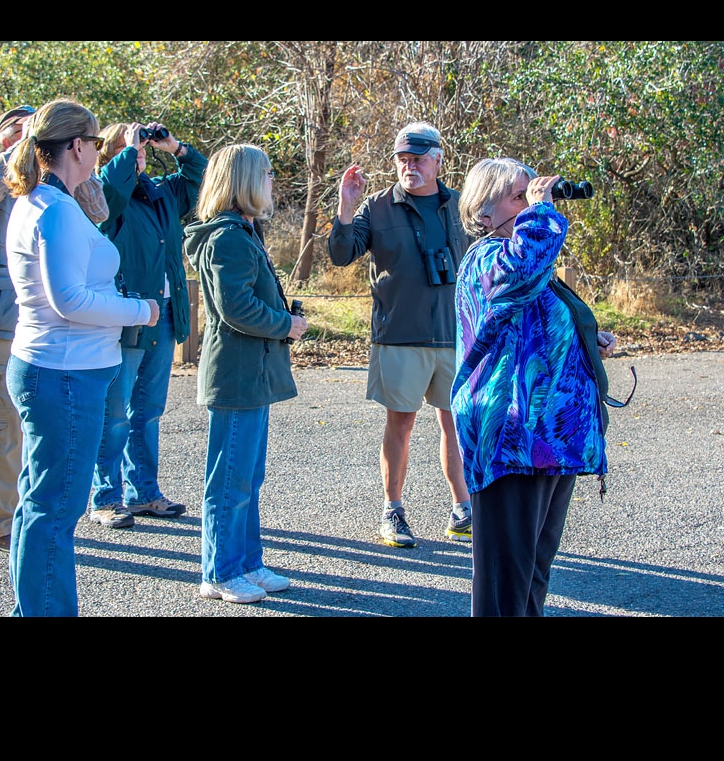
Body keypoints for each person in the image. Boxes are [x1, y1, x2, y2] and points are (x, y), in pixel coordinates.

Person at [2, 98, 160, 617]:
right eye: (94, 143)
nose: (97, 152)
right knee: (55, 511)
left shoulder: (41, 202)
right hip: (65, 374)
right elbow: (68, 299)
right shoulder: (56, 211)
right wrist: (139, 310)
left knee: (38, 503)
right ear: (76, 145)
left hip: (47, 365)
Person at [452, 157, 619, 617]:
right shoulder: (486, 258)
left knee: (532, 576)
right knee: (505, 584)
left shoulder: (528, 257)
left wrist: (584, 339)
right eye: (518, 196)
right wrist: (542, 212)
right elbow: (518, 276)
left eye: (532, 193)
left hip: (548, 441)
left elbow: (533, 325)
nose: (530, 202)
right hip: (510, 439)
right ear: (484, 214)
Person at [0, 104, 109, 554]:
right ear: (0, 142)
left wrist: (63, 156)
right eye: (12, 131)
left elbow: (98, 208)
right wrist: (23, 146)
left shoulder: (53, 191)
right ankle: (0, 521)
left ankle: (32, 516)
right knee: (1, 425)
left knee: (43, 429)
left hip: (45, 324)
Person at [327, 122, 474, 548]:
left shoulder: (461, 207)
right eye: (403, 160)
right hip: (400, 334)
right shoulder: (377, 207)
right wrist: (346, 207)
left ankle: (463, 510)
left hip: (454, 334)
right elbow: (340, 254)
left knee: (456, 423)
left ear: (439, 160)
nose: (409, 167)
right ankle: (393, 511)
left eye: (418, 159)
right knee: (401, 424)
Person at [183, 144, 308, 604]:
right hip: (236, 374)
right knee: (230, 480)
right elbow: (235, 308)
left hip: (251, 373)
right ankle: (218, 572)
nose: (273, 179)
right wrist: (286, 325)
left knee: (247, 479)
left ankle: (247, 563)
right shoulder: (229, 237)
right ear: (246, 180)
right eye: (268, 173)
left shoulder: (244, 232)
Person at [88, 121, 207, 529]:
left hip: (164, 317)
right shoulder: (103, 197)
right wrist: (126, 149)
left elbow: (202, 179)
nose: (140, 152)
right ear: (111, 154)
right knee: (114, 412)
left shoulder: (161, 194)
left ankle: (144, 493)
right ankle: (106, 497)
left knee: (149, 411)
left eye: (142, 147)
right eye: (132, 147)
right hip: (126, 319)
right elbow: (110, 189)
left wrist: (176, 148)